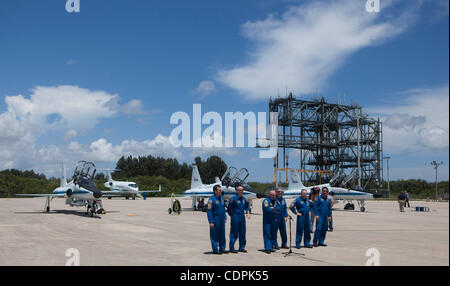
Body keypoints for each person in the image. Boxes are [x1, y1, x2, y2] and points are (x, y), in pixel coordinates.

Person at [227, 186, 250, 253]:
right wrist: (233, 215)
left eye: (242, 190)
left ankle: (242, 247)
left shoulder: (244, 199)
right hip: (235, 217)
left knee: (242, 233)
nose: (241, 191)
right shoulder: (233, 199)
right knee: (234, 233)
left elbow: (247, 206)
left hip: (242, 217)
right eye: (239, 190)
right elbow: (229, 209)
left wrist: (247, 212)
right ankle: (232, 248)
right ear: (237, 191)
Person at [206, 185, 228, 254]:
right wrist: (211, 221)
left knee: (222, 234)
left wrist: (225, 217)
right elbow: (209, 211)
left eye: (220, 190)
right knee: (214, 235)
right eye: (219, 190)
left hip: (221, 220)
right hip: (215, 219)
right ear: (215, 191)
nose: (220, 191)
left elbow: (223, 209)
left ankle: (222, 248)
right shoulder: (211, 200)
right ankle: (215, 250)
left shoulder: (221, 198)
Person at [262, 190, 280, 254]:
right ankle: (267, 248)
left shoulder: (276, 201)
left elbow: (279, 208)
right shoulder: (266, 201)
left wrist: (273, 208)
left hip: (274, 220)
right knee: (267, 234)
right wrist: (274, 210)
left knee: (273, 234)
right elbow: (267, 209)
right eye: (272, 195)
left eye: (275, 195)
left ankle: (271, 247)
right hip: (267, 220)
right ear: (269, 195)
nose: (274, 196)